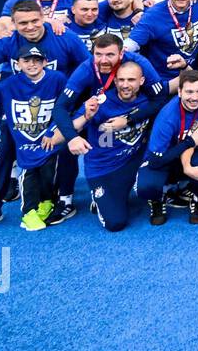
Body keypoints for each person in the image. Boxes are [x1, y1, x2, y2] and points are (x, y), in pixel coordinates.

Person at [0, 0, 88, 229]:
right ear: (14, 24)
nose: (30, 27)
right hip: (20, 110)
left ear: (44, 17)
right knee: (4, 150)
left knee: (65, 149)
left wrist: (78, 104)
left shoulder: (65, 37)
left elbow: (89, 68)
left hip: (57, 107)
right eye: (23, 23)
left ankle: (63, 199)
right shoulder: (8, 42)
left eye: (34, 21)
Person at [0, 43, 71, 231]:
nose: (32, 64)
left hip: (48, 135)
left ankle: (46, 202)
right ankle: (28, 211)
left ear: (46, 62)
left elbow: (66, 105)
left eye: (37, 60)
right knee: (28, 172)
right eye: (26, 60)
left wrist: (54, 130)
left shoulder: (57, 79)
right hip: (23, 139)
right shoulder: (9, 82)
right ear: (17, 63)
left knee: (49, 169)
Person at [61, 61, 166, 232]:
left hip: (133, 161)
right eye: (121, 80)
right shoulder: (100, 103)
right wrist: (86, 117)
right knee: (115, 223)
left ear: (141, 81)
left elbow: (176, 86)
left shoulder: (148, 101)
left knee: (157, 168)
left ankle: (155, 196)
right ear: (115, 81)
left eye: (131, 80)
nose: (125, 85)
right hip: (104, 168)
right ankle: (101, 196)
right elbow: (71, 128)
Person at [135, 69, 198, 225]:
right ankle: (157, 199)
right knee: (146, 186)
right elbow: (155, 161)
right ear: (179, 92)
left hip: (192, 153)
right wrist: (190, 141)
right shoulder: (168, 117)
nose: (194, 97)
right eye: (189, 92)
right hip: (163, 158)